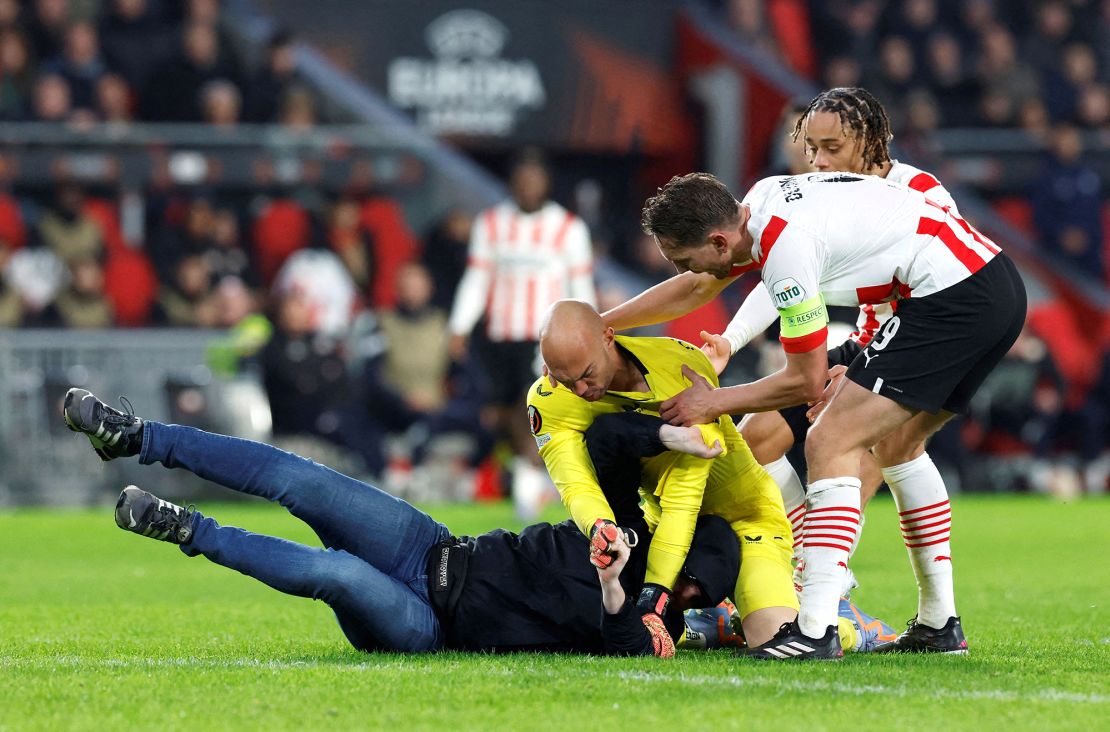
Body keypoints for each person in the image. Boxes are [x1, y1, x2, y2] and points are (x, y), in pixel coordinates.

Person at [620, 168, 1025, 659]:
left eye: (686, 259)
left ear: (720, 241)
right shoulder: (760, 203)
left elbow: (805, 380)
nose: (687, 271)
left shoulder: (787, 249)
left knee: (829, 440)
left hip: (951, 301)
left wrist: (712, 401)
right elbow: (695, 288)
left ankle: (815, 626)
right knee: (889, 446)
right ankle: (937, 625)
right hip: (974, 289)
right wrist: (602, 325)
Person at [61, 386, 738, 657]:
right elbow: (609, 441)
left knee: (336, 574)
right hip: (437, 546)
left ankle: (187, 530)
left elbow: (623, 643)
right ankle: (136, 437)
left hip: (429, 625)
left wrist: (622, 588)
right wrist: (671, 440)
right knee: (297, 476)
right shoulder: (621, 525)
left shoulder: (651, 617)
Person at [667, 88, 965, 581]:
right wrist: (732, 339)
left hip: (910, 345)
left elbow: (947, 286)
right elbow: (783, 276)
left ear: (869, 142)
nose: (817, 161)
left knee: (872, 455)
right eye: (810, 148)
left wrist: (865, 367)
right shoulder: (809, 198)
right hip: (861, 343)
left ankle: (828, 583)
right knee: (754, 441)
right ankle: (811, 567)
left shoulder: (922, 192)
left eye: (831, 148)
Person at [531, 300, 800, 650]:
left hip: (745, 517)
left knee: (777, 640)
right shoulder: (550, 400)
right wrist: (600, 529)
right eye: (565, 380)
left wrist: (653, 597)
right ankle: (708, 617)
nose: (580, 391)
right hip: (662, 527)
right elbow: (576, 484)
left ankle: (837, 618)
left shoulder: (680, 367)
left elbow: (684, 499)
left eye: (585, 374)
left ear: (608, 337)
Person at [448, 149, 596, 518]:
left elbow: (581, 284)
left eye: (535, 178)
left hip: (545, 336)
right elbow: (478, 278)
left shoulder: (568, 227)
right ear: (512, 182)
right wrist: (459, 325)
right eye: (522, 178)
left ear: (546, 182)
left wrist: (589, 328)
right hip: (499, 335)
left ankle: (530, 480)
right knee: (499, 413)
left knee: (529, 406)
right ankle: (532, 475)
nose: (528, 186)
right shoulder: (492, 224)